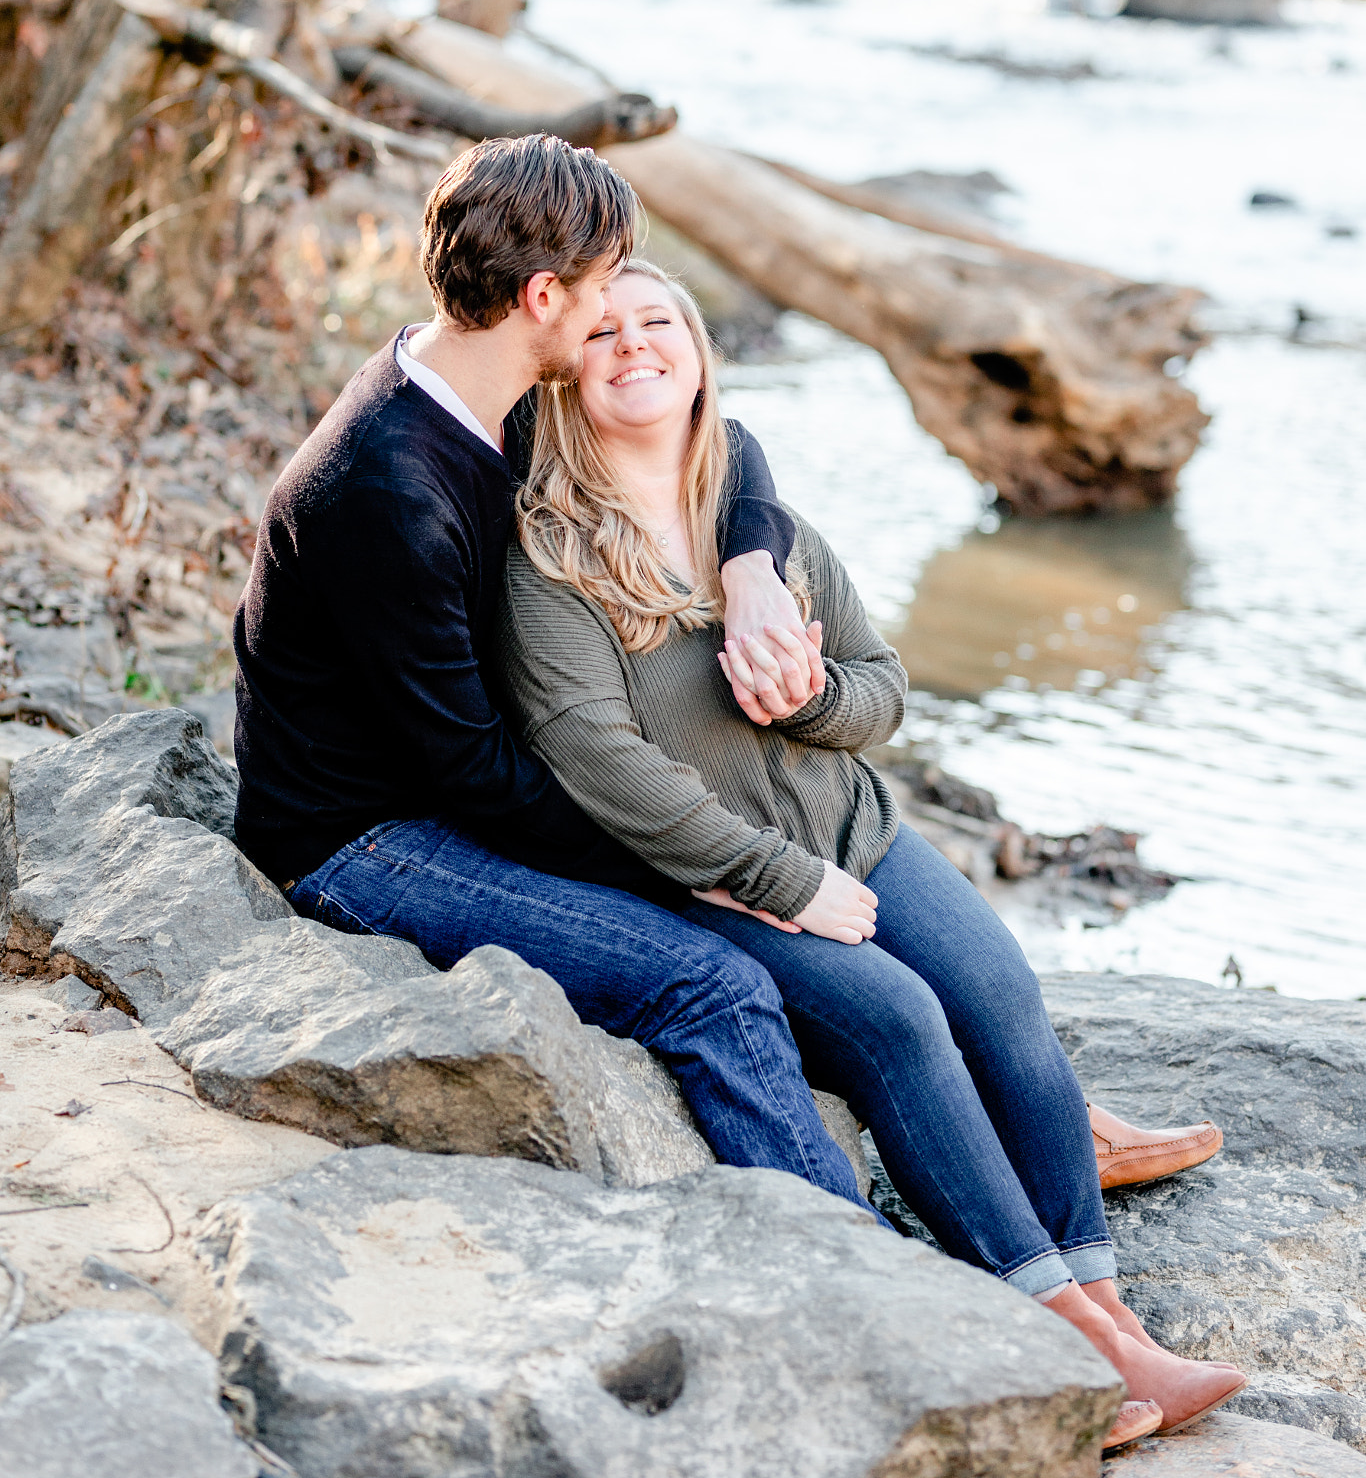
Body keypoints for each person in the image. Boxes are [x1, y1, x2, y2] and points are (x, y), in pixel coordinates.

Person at [495, 256, 1248, 1447]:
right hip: (713, 881)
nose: (633, 344)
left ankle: (1114, 1317)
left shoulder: (761, 528)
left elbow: (881, 689)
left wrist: (804, 698)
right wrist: (780, 881)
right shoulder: (550, 559)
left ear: (698, 356)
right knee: (899, 1018)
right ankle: (1062, 1336)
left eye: (658, 322)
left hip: (861, 831)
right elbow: (598, 762)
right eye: (603, 333)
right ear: (565, 373)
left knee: (1000, 991)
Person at [233, 134, 869, 1205]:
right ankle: (861, 1275)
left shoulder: (474, 381)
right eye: (601, 285)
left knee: (771, 879)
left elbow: (726, 440)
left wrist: (751, 562)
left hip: (462, 789)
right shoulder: (389, 490)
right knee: (714, 981)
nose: (615, 309)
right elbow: (473, 776)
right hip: (364, 838)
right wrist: (697, 862)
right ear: (541, 295)